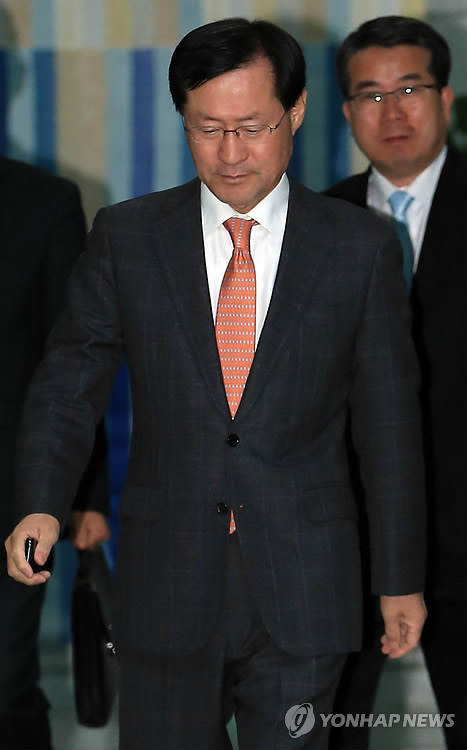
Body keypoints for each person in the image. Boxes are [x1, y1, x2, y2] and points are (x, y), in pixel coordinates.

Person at [4, 18, 427, 750]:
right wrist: (42, 502)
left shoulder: (356, 247)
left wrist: (399, 578)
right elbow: (68, 382)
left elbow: (388, 426)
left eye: (252, 127)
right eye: (208, 129)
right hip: (167, 579)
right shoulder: (130, 237)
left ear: (295, 111)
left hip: (306, 581)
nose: (231, 153)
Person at [325, 16, 467, 750]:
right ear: (346, 112)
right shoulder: (313, 223)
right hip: (347, 539)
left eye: (409, 88)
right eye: (370, 94)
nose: (392, 111)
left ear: (445, 98)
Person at [0, 155, 110, 750]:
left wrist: (87, 492)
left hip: (12, 501)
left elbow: (74, 360)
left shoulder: (43, 201)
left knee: (5, 684)